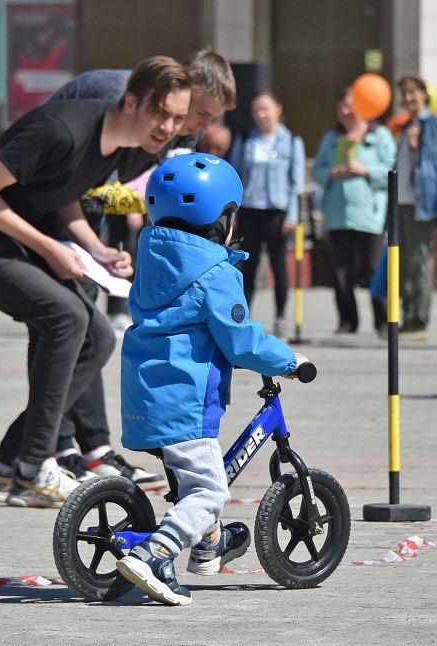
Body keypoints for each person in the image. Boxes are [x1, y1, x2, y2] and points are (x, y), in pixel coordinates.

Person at [0, 56, 193, 508]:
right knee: (66, 316)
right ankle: (34, 470)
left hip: (5, 237)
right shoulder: (61, 128)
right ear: (131, 101)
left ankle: (4, 467)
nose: (168, 127)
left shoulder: (124, 145)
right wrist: (50, 248)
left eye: (177, 118)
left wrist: (95, 248)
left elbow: (63, 193)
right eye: (160, 112)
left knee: (97, 337)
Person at [115, 153, 308, 606]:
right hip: (184, 400)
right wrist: (289, 361)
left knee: (192, 477)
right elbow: (242, 342)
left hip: (143, 394)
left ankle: (209, 543)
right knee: (209, 489)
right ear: (223, 218)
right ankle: (156, 554)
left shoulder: (152, 260)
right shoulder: (216, 275)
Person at [42, 49, 237, 487]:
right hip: (49, 206)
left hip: (83, 211)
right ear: (184, 90)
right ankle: (56, 445)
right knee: (69, 325)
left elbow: (138, 190)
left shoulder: (173, 127)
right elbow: (66, 173)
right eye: (201, 114)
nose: (200, 126)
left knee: (88, 326)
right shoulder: (122, 97)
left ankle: (92, 447)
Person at [312, 86, 395, 334]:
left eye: (350, 104)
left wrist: (365, 170)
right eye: (341, 105)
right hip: (338, 216)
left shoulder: (380, 135)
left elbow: (391, 169)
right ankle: (348, 320)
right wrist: (332, 173)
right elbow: (317, 170)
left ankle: (383, 320)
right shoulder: (331, 138)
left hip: (370, 216)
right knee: (341, 273)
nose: (345, 110)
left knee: (374, 270)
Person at [228, 91, 305, 336]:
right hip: (250, 209)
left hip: (277, 211)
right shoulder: (245, 139)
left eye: (266, 109)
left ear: (278, 109)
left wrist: (292, 215)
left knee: (278, 265)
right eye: (256, 110)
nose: (261, 115)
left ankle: (280, 316)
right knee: (248, 266)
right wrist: (233, 213)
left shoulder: (291, 141)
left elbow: (296, 183)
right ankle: (242, 316)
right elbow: (235, 177)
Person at [394, 74, 437, 340]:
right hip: (402, 203)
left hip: (422, 205)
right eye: (405, 93)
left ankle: (418, 320)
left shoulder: (434, 126)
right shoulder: (407, 125)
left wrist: (416, 148)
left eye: (413, 92)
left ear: (424, 94)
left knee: (418, 262)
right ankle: (408, 316)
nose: (409, 98)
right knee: (404, 263)